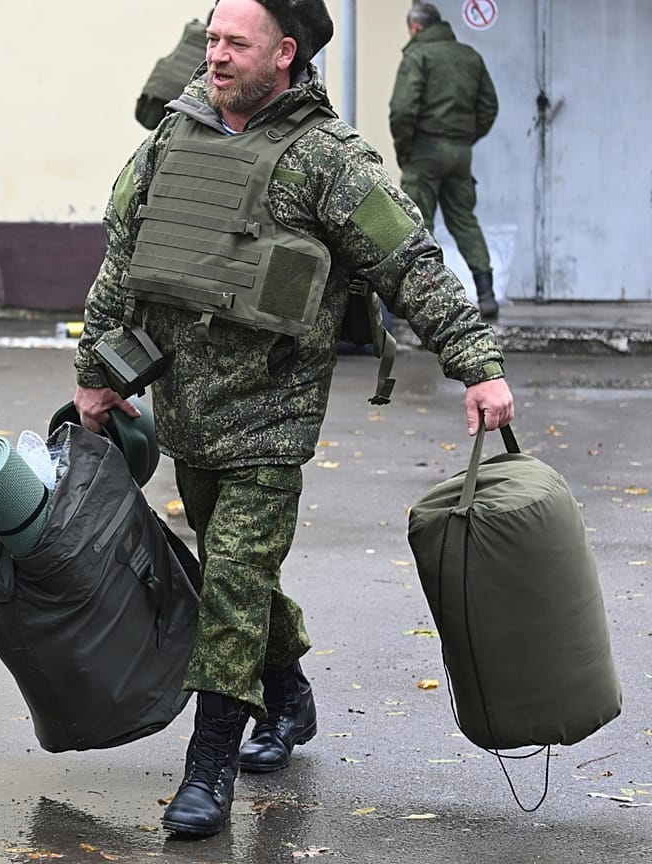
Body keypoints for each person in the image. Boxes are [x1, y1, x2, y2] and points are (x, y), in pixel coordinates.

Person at [72, 0, 514, 839]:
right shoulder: (174, 135)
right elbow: (121, 254)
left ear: (284, 53)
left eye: (235, 43)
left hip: (271, 416)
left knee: (235, 577)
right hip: (183, 407)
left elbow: (409, 262)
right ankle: (288, 694)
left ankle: (207, 769)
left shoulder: (328, 157)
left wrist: (478, 363)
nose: (215, 55)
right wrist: (96, 374)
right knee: (232, 571)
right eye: (212, 39)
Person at [389, 2, 500, 319]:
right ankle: (487, 294)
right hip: (459, 154)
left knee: (417, 225)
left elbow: (402, 110)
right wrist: (465, 138)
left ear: (415, 27)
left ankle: (424, 297)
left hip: (424, 152)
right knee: (464, 220)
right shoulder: (470, 56)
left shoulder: (417, 56)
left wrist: (405, 150)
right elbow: (489, 106)